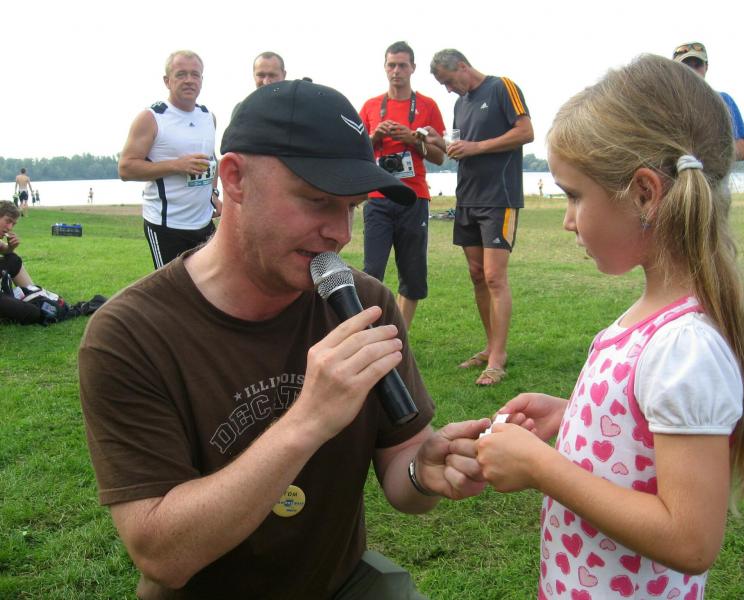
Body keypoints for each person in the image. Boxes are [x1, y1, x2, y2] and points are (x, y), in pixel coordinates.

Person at [79, 79, 490, 599]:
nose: (340, 232)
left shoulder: (364, 305)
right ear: (234, 178)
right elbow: (163, 556)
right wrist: (308, 419)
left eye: (351, 207)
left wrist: (421, 472)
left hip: (338, 585)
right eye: (317, 200)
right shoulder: (130, 334)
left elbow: (403, 474)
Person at [472, 55, 744, 599]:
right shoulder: (657, 323)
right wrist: (574, 414)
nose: (567, 221)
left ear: (644, 193)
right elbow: (647, 425)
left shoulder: (685, 345)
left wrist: (542, 467)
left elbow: (690, 539)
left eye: (574, 195)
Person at [430, 49, 534, 385]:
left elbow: (526, 132)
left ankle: (498, 359)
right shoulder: (460, 105)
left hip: (498, 198)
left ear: (462, 66)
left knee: (494, 277)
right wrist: (439, 143)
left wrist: (478, 146)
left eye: (449, 81)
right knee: (476, 274)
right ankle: (490, 347)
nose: (449, 90)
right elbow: (461, 149)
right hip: (467, 197)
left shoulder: (503, 87)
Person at [359, 41, 446, 328]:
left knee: (412, 273)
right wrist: (375, 137)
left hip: (414, 197)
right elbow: (357, 153)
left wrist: (412, 139)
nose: (396, 71)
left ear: (413, 68)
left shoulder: (427, 106)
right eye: (391, 65)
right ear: (385, 68)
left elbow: (439, 156)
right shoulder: (371, 106)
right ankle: (369, 333)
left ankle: (400, 335)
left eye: (402, 65)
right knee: (372, 271)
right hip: (378, 197)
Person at [118, 50, 221, 270]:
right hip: (167, 225)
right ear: (167, 81)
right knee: (174, 288)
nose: (189, 80)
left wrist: (214, 194)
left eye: (195, 74)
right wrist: (176, 165)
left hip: (203, 222)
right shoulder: (152, 117)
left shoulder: (208, 116)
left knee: (211, 283)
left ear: (202, 80)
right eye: (181, 74)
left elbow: (212, 159)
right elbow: (126, 168)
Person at [672, 42, 744, 161]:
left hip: (712, 172)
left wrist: (702, 152)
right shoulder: (662, 103)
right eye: (686, 66)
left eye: (697, 65)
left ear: (706, 67)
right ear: (674, 69)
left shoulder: (724, 101)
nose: (692, 71)